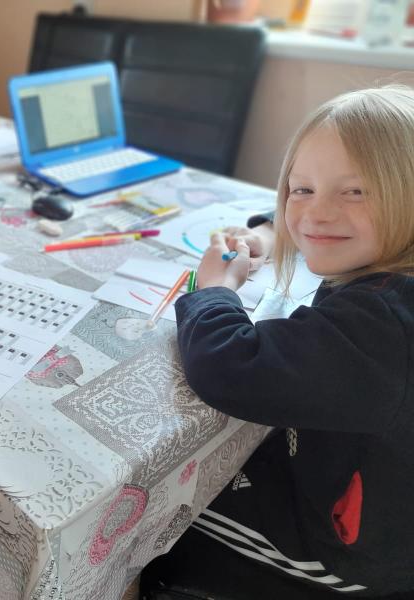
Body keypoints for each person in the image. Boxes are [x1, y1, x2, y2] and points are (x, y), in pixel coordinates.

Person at [167, 86, 414, 596]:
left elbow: (228, 366)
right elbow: (309, 211)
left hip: (340, 552)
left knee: (165, 511)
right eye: (301, 189)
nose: (316, 214)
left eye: (356, 191)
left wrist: (215, 290)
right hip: (349, 472)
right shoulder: (390, 272)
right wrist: (269, 232)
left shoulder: (380, 326)